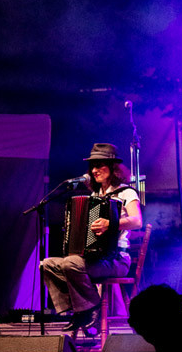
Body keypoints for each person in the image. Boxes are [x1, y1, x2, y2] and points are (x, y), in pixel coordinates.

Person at [42, 142, 142, 338]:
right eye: (93, 166)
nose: (95, 170)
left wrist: (110, 223)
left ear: (113, 168)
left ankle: (89, 310)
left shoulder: (126, 192)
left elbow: (137, 221)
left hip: (116, 259)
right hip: (94, 259)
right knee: (47, 264)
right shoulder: (95, 196)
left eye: (99, 165)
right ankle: (82, 310)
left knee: (71, 264)